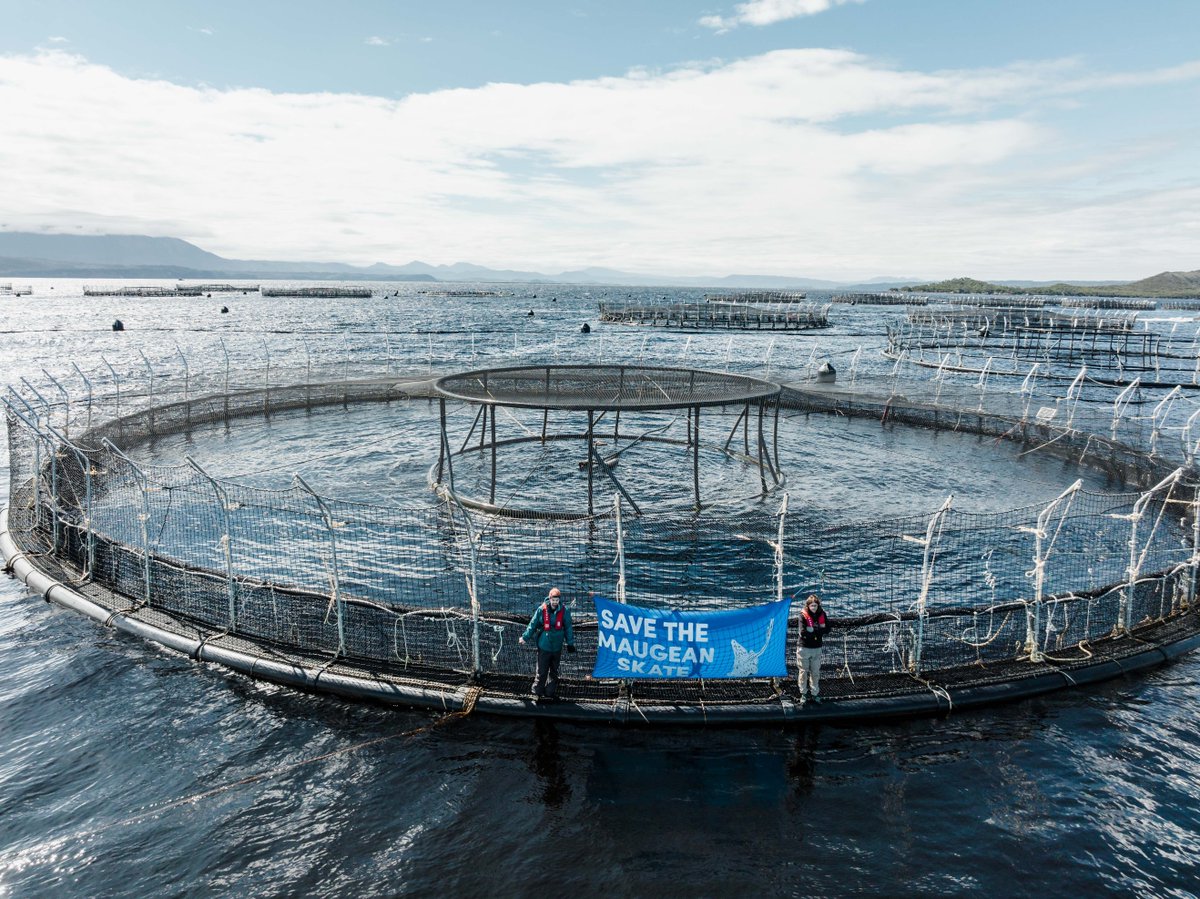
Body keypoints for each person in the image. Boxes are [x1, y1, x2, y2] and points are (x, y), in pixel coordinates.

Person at [520, 587, 575, 700]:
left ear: (559, 600)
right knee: (542, 670)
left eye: (557, 600)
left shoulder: (565, 611)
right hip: (544, 646)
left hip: (557, 647)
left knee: (554, 671)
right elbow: (533, 625)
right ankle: (537, 691)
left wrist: (570, 644)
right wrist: (525, 637)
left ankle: (550, 692)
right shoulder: (541, 610)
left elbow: (568, 628)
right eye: (553, 600)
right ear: (549, 599)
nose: (555, 602)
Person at [797, 593, 831, 704]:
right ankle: (803, 693)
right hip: (804, 648)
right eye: (811, 605)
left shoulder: (822, 614)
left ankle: (814, 693)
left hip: (817, 648)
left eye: (815, 605)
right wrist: (817, 631)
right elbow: (802, 632)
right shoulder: (802, 616)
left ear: (818, 606)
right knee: (803, 672)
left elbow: (828, 629)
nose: (813, 608)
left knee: (815, 672)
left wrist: (813, 631)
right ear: (808, 606)